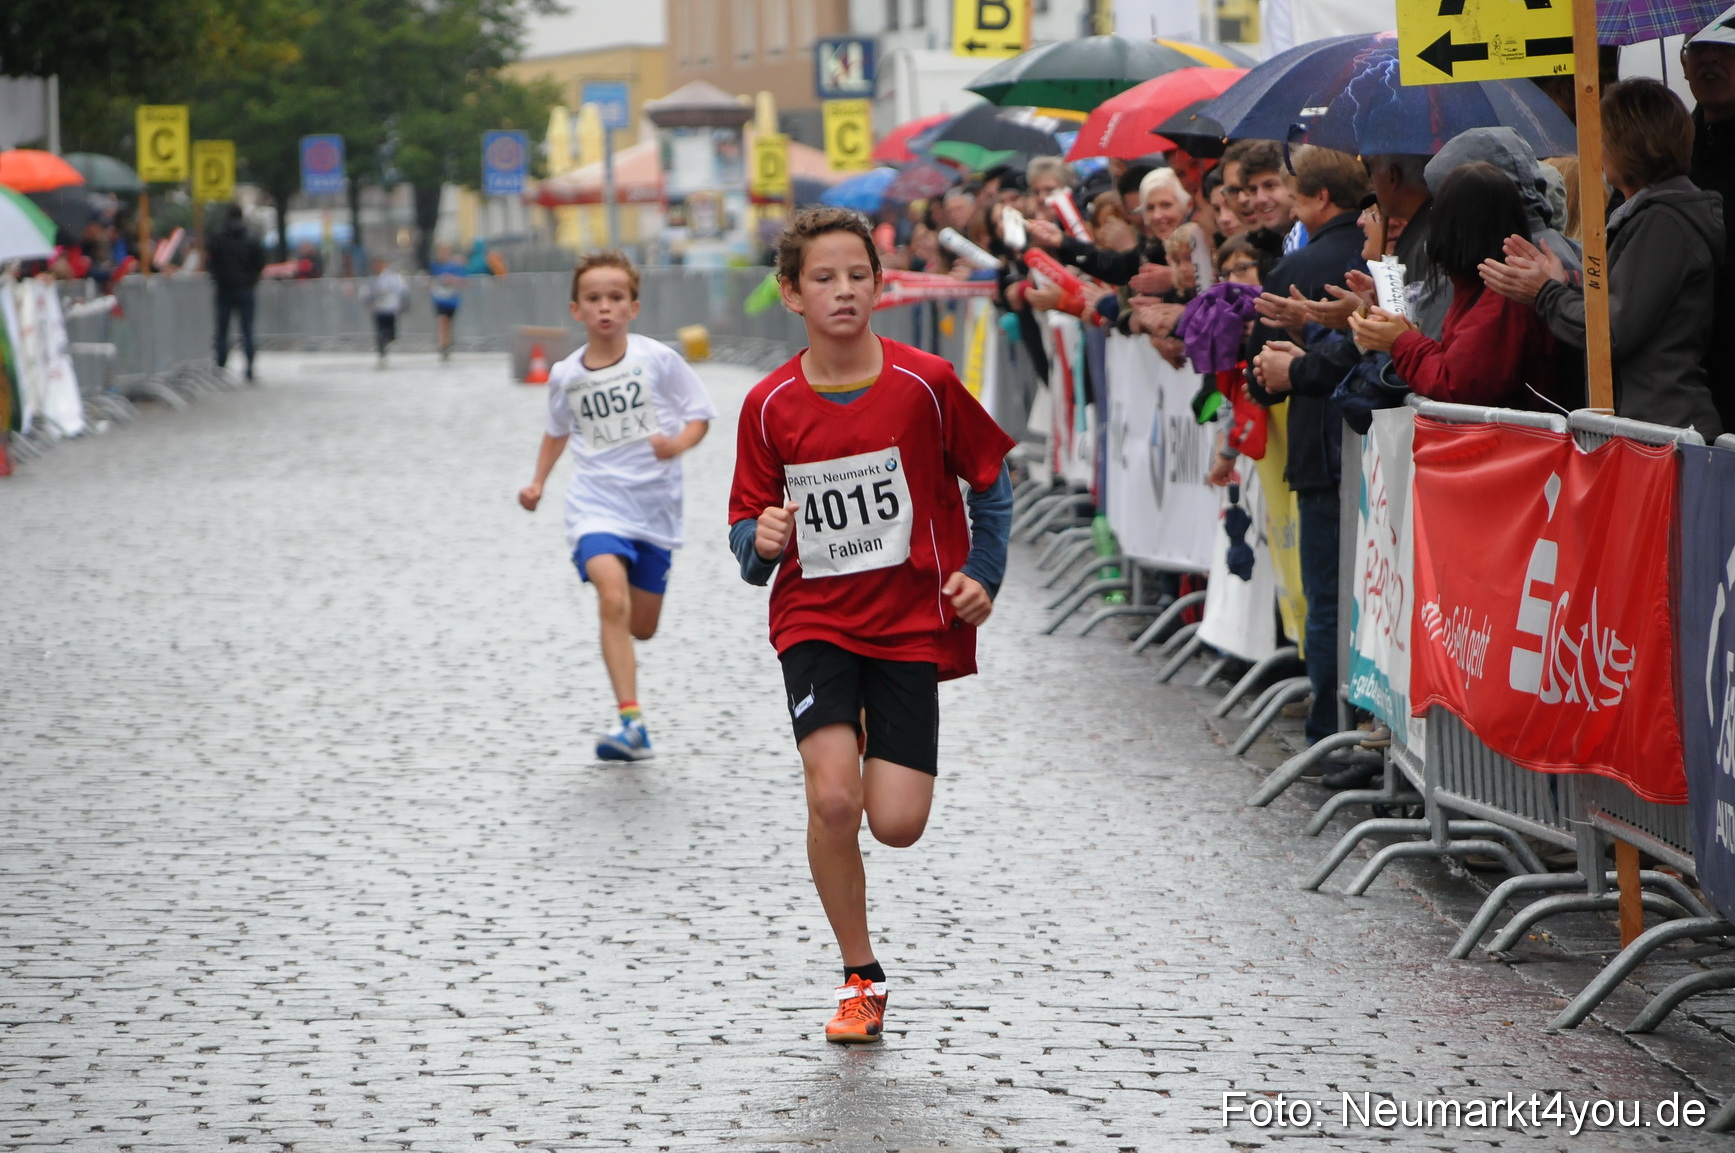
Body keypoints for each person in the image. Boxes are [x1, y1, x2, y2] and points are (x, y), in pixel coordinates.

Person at [727, 207, 1015, 1045]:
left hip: (905, 625)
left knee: (895, 822)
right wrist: (763, 539)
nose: (843, 290)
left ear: (879, 286)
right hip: (813, 618)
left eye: (857, 274)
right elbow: (746, 538)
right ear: (791, 293)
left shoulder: (925, 381)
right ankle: (860, 976)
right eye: (823, 277)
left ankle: (856, 738)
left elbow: (991, 478)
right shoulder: (768, 404)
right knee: (832, 797)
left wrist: (983, 574)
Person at [517, 250, 717, 760]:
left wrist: (678, 444)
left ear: (633, 306)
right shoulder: (566, 374)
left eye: (615, 298)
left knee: (641, 626)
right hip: (595, 506)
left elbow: (699, 415)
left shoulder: (657, 359)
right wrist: (537, 482)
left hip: (654, 512)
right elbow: (557, 431)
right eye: (593, 299)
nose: (604, 307)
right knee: (611, 596)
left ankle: (623, 636)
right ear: (575, 310)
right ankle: (632, 724)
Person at [1481, 78, 1725, 439]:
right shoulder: (1655, 215)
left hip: (1661, 429)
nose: (1596, 149)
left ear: (1629, 145)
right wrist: (1566, 285)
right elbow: (1627, 308)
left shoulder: (1664, 222)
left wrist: (1547, 292)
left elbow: (1611, 330)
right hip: (1652, 423)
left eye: (1601, 137)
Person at [1242, 145, 1369, 758]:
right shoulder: (1373, 252)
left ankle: (1330, 731)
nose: (1288, 208)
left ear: (1321, 198)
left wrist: (1290, 357)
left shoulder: (1307, 262)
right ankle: (1359, 731)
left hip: (1325, 447)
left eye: (1293, 196)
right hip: (1370, 449)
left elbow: (1259, 378)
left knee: (1327, 599)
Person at [1346, 163, 1557, 409]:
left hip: (1508, 442)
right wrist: (1404, 335)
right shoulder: (1480, 286)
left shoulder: (1503, 297)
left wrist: (1401, 341)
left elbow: (1457, 384)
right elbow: (1457, 357)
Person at [1684, 5, 1735, 427]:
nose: (1711, 60)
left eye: (1726, 48)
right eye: (1699, 48)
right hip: (1688, 360)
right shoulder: (1671, 148)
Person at [205, 204, 265, 382]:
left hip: (224, 289)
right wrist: (252, 279)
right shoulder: (251, 238)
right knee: (247, 330)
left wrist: (217, 277)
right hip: (246, 289)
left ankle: (220, 367)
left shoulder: (217, 237)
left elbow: (211, 261)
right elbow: (260, 263)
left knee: (222, 330)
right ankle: (249, 368)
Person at [366, 258, 407, 368]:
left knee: (391, 333)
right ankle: (381, 351)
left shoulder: (392, 278)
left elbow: (401, 289)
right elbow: (367, 293)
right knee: (380, 332)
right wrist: (369, 302)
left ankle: (386, 343)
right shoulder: (372, 279)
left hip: (390, 308)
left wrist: (402, 302)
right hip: (379, 309)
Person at [429, 243, 467, 361]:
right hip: (439, 299)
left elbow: (464, 280)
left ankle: (447, 343)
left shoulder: (455, 266)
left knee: (448, 323)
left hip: (451, 300)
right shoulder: (434, 266)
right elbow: (428, 279)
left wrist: (450, 279)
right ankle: (442, 344)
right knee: (442, 321)